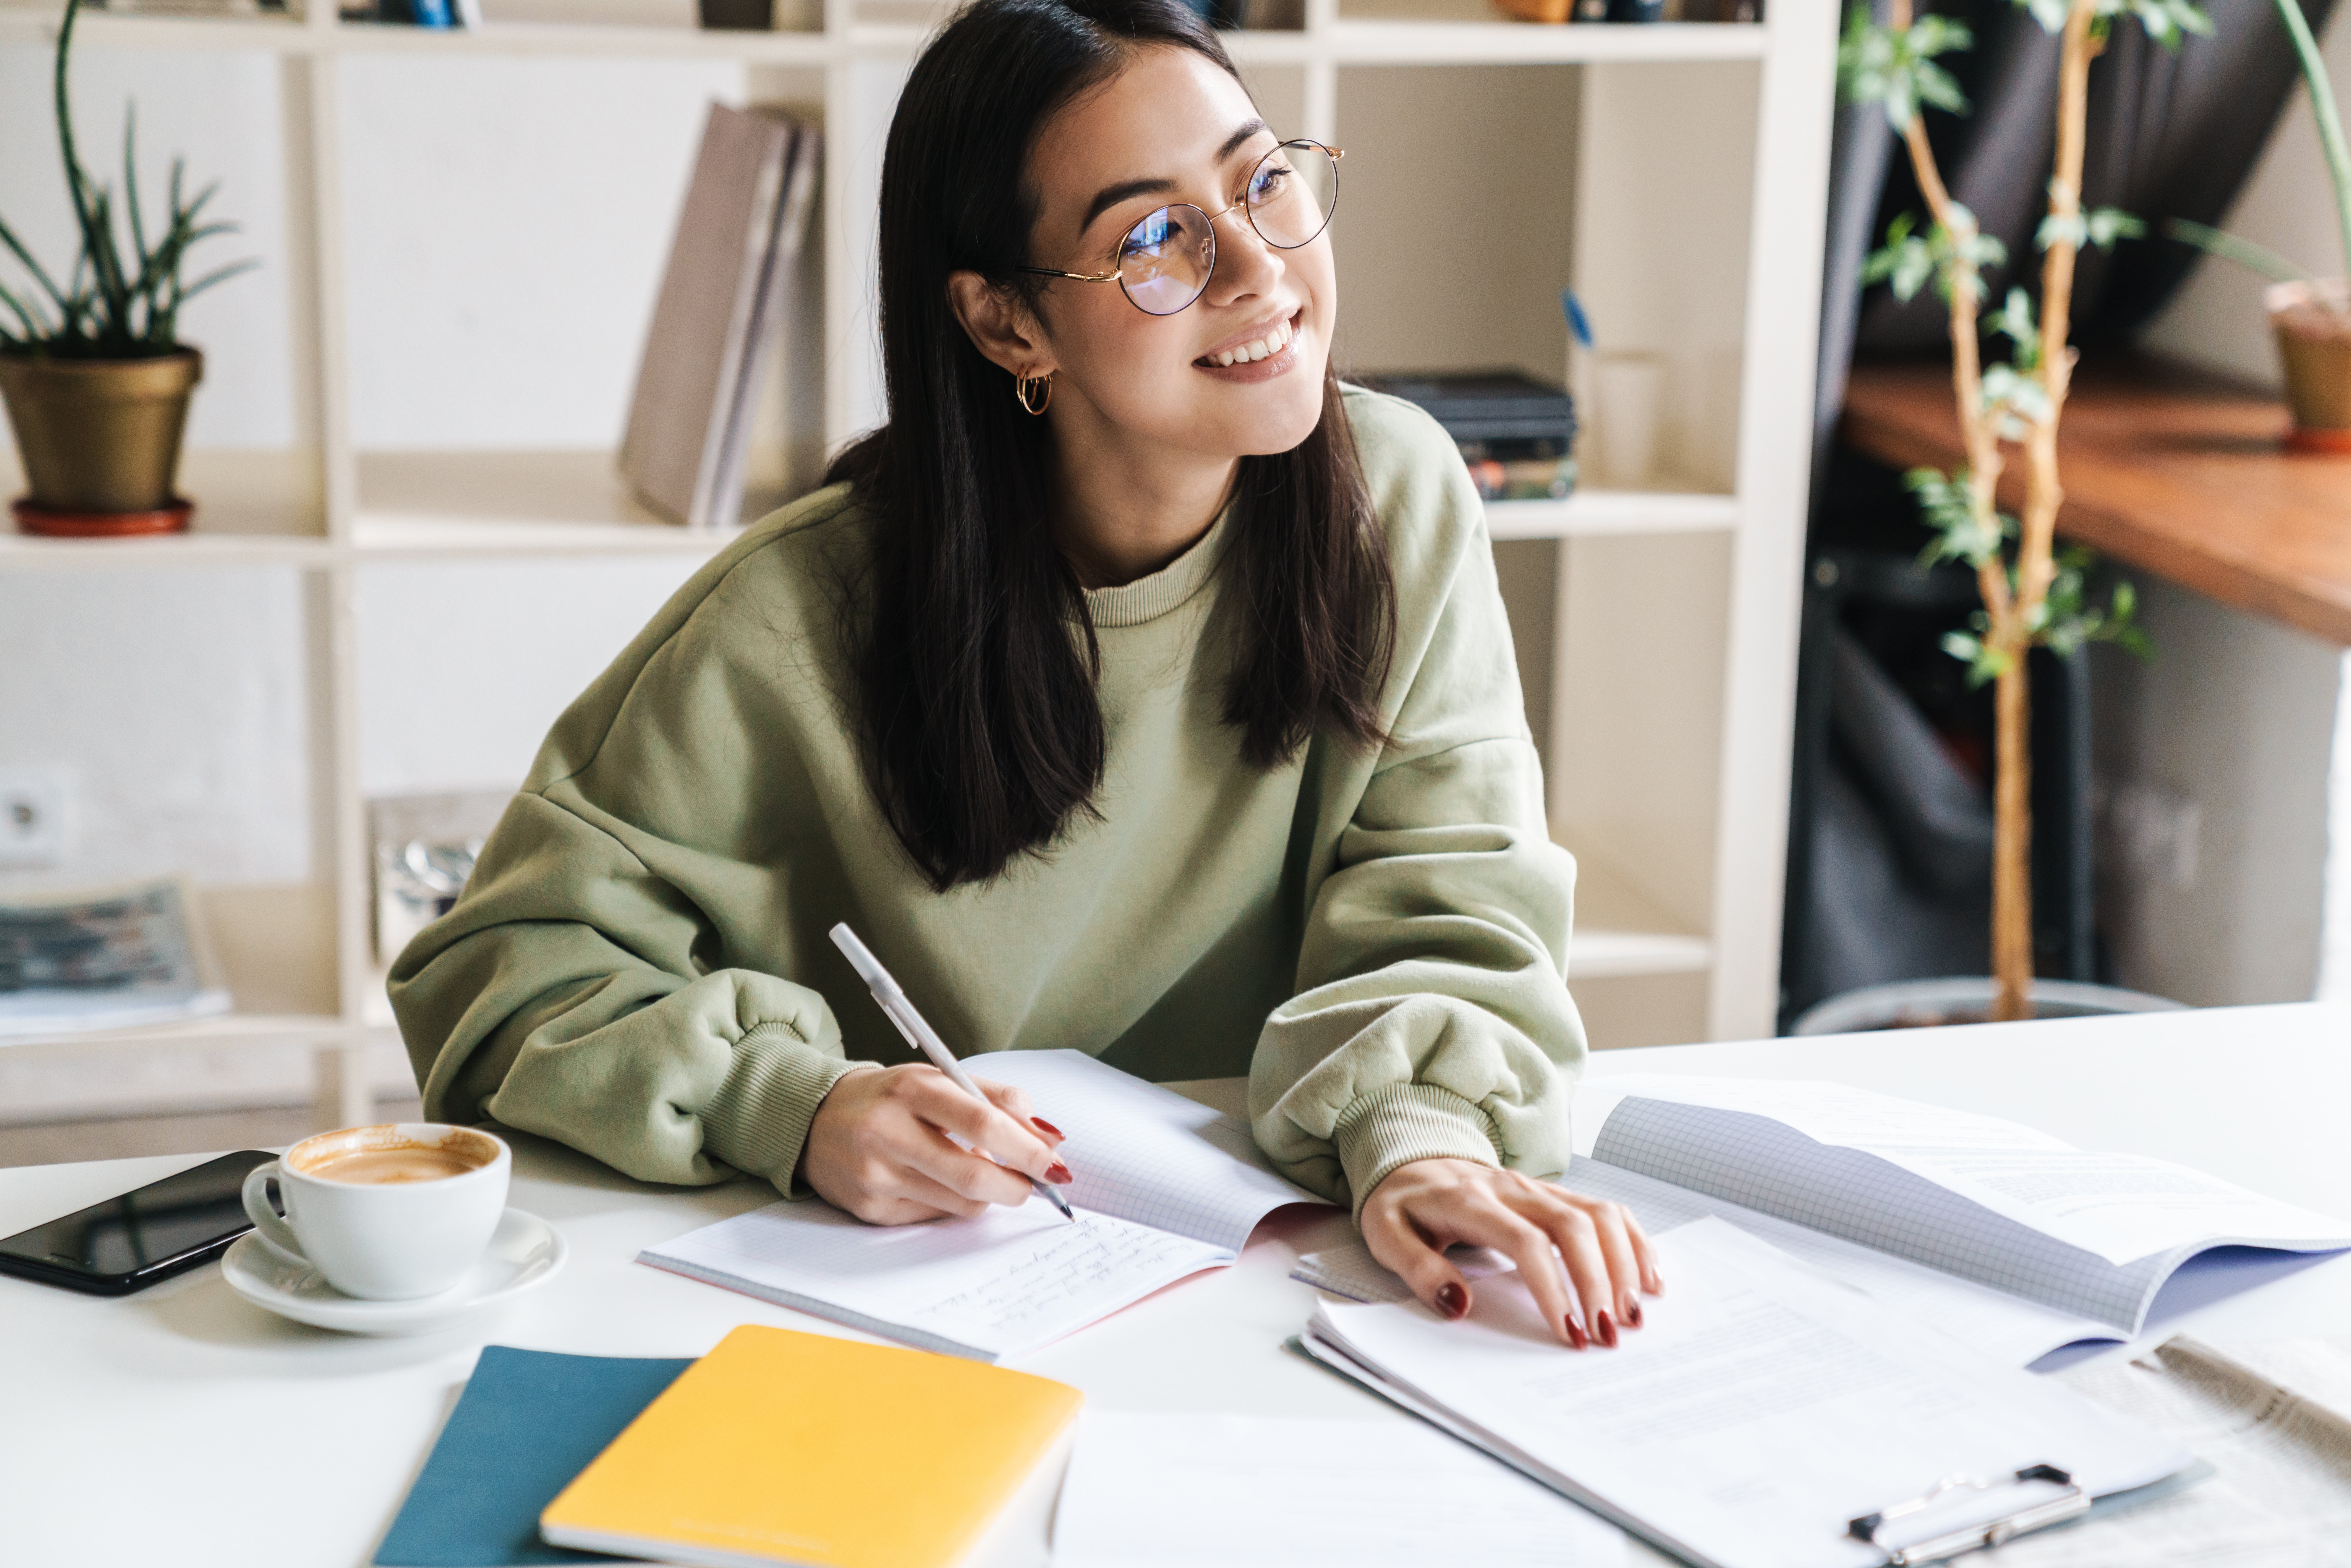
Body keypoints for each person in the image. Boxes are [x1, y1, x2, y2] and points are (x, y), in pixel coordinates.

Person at [390, 0, 1659, 1349]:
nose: (1253, 267)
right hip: (897, 1307)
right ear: (1005, 328)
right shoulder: (794, 614)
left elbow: (1454, 899)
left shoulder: (1393, 500)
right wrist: (797, 1108)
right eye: (1151, 236)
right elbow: (502, 974)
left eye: (1260, 180)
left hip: (1270, 1296)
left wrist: (1421, 1140)